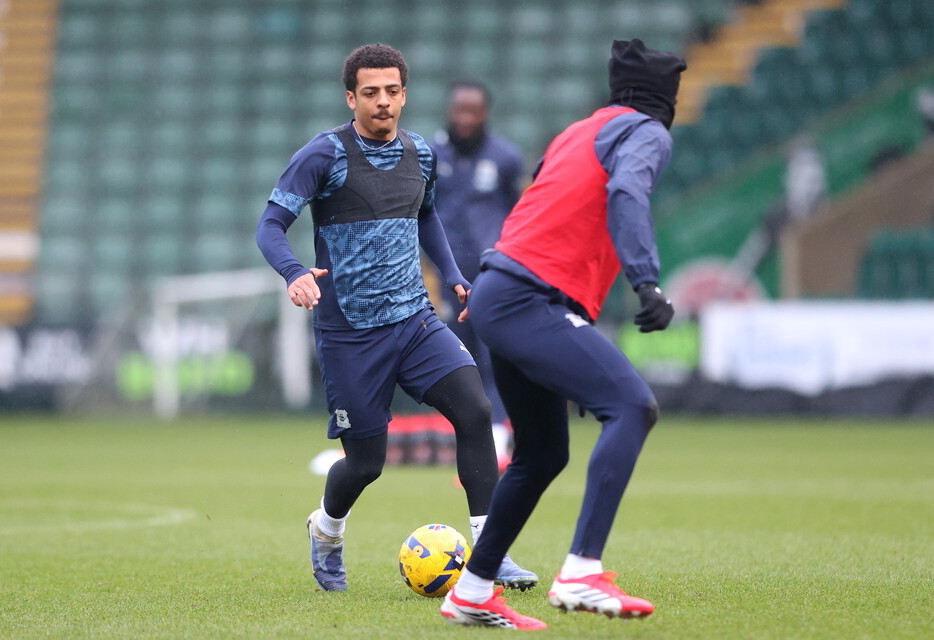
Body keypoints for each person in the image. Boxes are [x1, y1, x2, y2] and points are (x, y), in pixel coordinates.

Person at [254, 43, 536, 593]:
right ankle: (327, 531)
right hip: (350, 334)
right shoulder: (323, 155)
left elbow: (426, 216)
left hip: (415, 320)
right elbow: (270, 225)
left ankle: (490, 553)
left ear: (404, 94)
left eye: (391, 91)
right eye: (370, 93)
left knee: (476, 411)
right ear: (350, 97)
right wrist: (294, 272)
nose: (382, 102)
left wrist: (453, 274)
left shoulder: (421, 153)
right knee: (366, 463)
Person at [440, 39, 686, 629]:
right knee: (631, 405)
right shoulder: (646, 131)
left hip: (503, 290)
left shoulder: (577, 132)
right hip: (529, 298)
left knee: (543, 452)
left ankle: (472, 589)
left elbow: (536, 209)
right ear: (664, 99)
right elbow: (627, 192)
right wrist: (646, 282)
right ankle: (581, 570)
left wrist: (492, 286)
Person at [430, 80, 525, 465]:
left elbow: (516, 214)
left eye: (474, 111)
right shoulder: (430, 155)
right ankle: (461, 435)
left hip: (491, 277)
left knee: (494, 358)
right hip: (446, 278)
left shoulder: (505, 158)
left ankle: (500, 434)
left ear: (485, 113)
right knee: (454, 360)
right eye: (459, 110)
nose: (465, 118)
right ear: (449, 111)